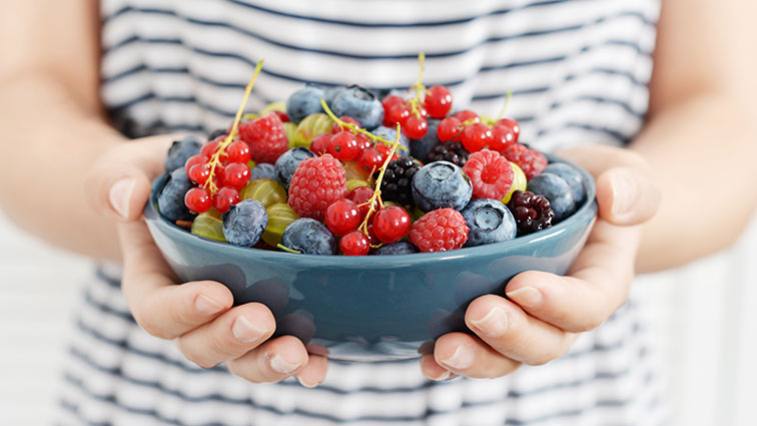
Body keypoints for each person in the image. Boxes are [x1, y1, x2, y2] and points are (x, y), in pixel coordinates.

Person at [1, 0, 756, 424]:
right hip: (164, 391)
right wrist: (122, 200)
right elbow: (23, 86)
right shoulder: (265, 178)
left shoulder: (466, 180)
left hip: (559, 401)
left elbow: (724, 114)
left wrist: (609, 218)